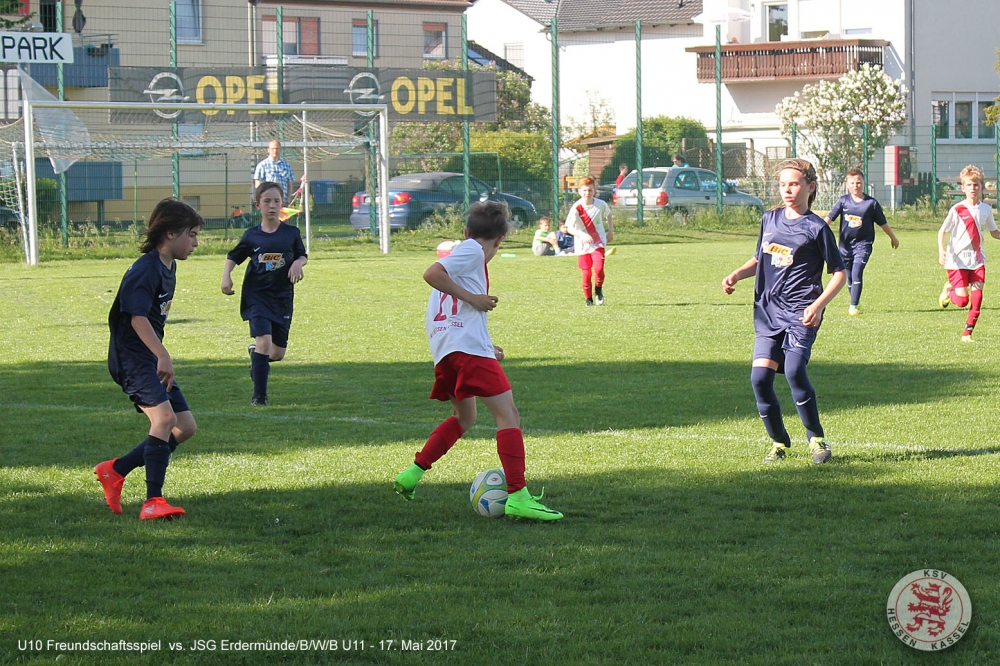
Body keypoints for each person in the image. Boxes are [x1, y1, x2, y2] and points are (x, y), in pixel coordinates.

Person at [393, 200, 563, 521]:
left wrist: (486, 345)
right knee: (508, 415)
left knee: (464, 417)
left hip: (449, 351)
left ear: (465, 230)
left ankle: (412, 473)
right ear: (500, 240)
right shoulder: (471, 251)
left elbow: (454, 315)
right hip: (466, 351)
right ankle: (518, 496)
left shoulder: (463, 261)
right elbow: (431, 273)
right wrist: (475, 300)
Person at [722, 158, 846, 465]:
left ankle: (817, 439)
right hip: (768, 313)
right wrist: (737, 274)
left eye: (794, 184)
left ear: (810, 187)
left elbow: (839, 273)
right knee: (760, 379)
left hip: (801, 313)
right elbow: (759, 259)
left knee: (793, 371)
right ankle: (779, 442)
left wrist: (818, 305)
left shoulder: (817, 228)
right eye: (782, 184)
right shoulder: (770, 219)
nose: (787, 190)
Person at [94, 199, 204, 520]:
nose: (196, 242)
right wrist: (162, 354)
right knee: (164, 419)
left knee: (184, 426)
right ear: (170, 233)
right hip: (132, 358)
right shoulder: (146, 269)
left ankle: (116, 470)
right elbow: (136, 318)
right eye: (192, 234)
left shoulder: (168, 266)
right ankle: (153, 501)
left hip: (147, 356)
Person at [221, 181, 308, 406]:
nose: (272, 205)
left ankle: (256, 357)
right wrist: (226, 276)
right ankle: (259, 397)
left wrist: (298, 263)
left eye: (276, 201)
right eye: (267, 201)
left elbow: (302, 255)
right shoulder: (252, 236)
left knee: (277, 353)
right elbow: (233, 257)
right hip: (257, 296)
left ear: (282, 204)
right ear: (257, 205)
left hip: (282, 298)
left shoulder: (291, 233)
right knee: (264, 342)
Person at [937, 164, 1000, 341]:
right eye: (969, 185)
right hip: (957, 261)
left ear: (981, 187)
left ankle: (967, 334)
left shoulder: (986, 210)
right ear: (963, 187)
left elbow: (994, 232)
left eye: (976, 185)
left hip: (977, 260)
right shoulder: (957, 209)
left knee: (977, 300)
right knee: (962, 301)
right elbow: (942, 231)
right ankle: (949, 289)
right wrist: (941, 250)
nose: (973, 188)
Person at [824, 167, 899, 315]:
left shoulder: (871, 204)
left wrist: (893, 237)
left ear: (863, 183)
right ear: (847, 184)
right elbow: (829, 219)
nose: (855, 186)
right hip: (845, 246)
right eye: (852, 183)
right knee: (849, 276)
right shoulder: (843, 201)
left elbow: (882, 223)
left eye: (858, 182)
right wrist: (815, 232)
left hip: (863, 245)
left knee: (857, 272)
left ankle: (853, 306)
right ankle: (856, 301)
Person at [564, 176, 614, 305]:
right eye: (585, 190)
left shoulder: (600, 204)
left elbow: (609, 214)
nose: (587, 193)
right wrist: (581, 234)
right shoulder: (576, 207)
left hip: (598, 242)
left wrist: (610, 231)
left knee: (599, 269)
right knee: (586, 274)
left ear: (594, 190)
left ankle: (598, 289)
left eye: (590, 190)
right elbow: (569, 228)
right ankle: (588, 299)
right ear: (580, 191)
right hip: (582, 245)